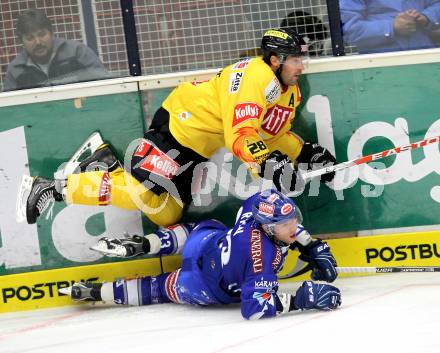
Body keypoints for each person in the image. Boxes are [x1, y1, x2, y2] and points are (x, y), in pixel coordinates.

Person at [20, 27, 336, 228]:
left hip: (196, 150)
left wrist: (304, 153)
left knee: (168, 215)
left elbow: (273, 135)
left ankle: (104, 166)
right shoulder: (257, 75)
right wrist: (270, 164)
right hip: (177, 128)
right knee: (146, 194)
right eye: (295, 59)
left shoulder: (288, 92)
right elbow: (240, 135)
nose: (301, 65)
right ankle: (53, 188)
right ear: (275, 60)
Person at [60, 189, 341, 320]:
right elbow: (254, 309)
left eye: (294, 220)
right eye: (287, 225)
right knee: (157, 288)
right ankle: (99, 292)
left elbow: (266, 201)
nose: (295, 227)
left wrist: (310, 244)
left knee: (194, 232)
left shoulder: (257, 209)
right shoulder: (260, 262)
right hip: (201, 286)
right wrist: (301, 299)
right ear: (268, 227)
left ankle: (147, 245)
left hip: (204, 242)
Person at [3, 8, 110, 91]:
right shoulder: (15, 70)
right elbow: (12, 111)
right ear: (22, 42)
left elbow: (105, 86)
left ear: (52, 33)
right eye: (30, 38)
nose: (38, 42)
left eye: (42, 34)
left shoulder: (78, 52)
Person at [340, 0, 440, 54]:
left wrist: (427, 16)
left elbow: (437, 5)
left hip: (425, 56)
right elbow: (349, 30)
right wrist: (391, 27)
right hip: (381, 62)